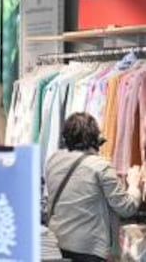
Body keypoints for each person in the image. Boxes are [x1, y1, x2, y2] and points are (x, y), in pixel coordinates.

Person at [46, 112, 141, 262]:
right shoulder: (100, 167)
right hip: (89, 250)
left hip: (57, 244)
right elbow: (126, 208)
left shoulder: (53, 161)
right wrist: (134, 185)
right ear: (95, 138)